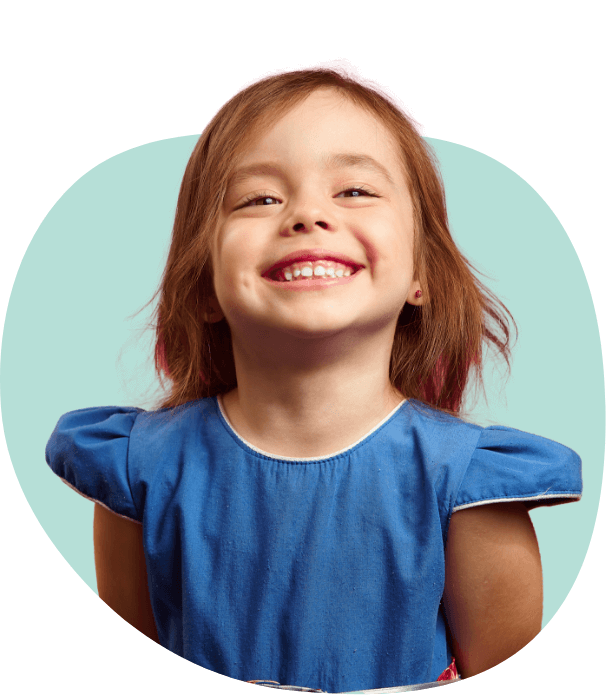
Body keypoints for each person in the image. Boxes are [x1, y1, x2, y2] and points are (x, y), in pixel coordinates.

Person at [45, 59, 582, 693]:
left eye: (354, 190)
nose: (306, 215)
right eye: (259, 198)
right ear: (206, 285)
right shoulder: (139, 472)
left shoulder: (470, 488)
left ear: (422, 274)